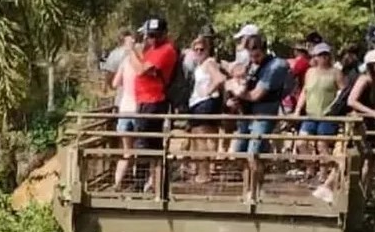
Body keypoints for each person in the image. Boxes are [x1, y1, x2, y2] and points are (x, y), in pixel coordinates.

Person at [228, 32, 291, 201]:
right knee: (239, 152)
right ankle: (247, 188)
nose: (253, 58)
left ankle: (255, 190)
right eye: (250, 54)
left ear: (263, 50)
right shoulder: (250, 65)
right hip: (246, 115)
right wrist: (234, 98)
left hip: (263, 115)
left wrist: (239, 93)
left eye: (256, 54)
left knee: (253, 153)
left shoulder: (275, 66)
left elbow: (256, 95)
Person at [124, 16, 178, 192]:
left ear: (164, 34)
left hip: (153, 102)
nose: (152, 39)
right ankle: (156, 185)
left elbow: (140, 70)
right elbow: (141, 64)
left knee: (144, 144)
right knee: (150, 144)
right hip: (144, 101)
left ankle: (140, 184)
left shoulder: (166, 50)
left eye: (156, 35)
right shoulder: (152, 49)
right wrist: (138, 51)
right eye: (150, 35)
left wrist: (130, 50)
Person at [294, 42, 345, 201]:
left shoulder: (336, 73)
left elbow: (343, 92)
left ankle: (323, 175)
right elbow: (305, 91)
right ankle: (311, 168)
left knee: (322, 145)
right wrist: (297, 109)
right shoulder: (309, 72)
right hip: (310, 113)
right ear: (315, 57)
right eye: (320, 55)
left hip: (327, 115)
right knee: (301, 142)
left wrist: (335, 108)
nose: (323, 58)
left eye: (326, 55)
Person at [187, 35, 226, 183]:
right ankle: (207, 171)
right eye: (195, 49)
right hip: (198, 104)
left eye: (201, 49)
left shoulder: (209, 63)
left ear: (208, 49)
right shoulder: (199, 64)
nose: (198, 52)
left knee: (201, 139)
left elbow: (220, 78)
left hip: (204, 104)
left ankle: (204, 174)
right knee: (203, 139)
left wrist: (207, 92)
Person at [111, 37, 141, 190]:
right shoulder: (140, 64)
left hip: (124, 109)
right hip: (137, 109)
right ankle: (137, 181)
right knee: (138, 147)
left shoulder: (124, 63)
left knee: (126, 151)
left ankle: (117, 183)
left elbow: (115, 83)